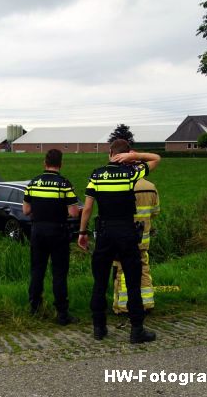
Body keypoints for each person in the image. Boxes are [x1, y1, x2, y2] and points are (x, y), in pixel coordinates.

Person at [77, 140, 160, 343]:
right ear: (125, 155)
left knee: (100, 281)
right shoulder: (131, 173)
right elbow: (157, 158)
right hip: (126, 232)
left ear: (110, 153)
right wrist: (134, 157)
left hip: (104, 233)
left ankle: (99, 327)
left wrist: (82, 232)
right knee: (133, 281)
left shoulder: (96, 175)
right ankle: (137, 330)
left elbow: (87, 208)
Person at [23, 149, 81, 325]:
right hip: (58, 231)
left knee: (37, 271)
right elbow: (73, 213)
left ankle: (34, 308)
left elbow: (26, 211)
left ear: (44, 163)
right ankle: (62, 314)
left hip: (37, 231)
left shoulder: (33, 183)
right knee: (59, 273)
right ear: (60, 164)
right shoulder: (64, 184)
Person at [113, 178, 160, 314]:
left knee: (122, 269)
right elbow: (155, 211)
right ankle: (146, 303)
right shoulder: (151, 186)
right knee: (144, 268)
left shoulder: (122, 185)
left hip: (125, 237)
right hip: (143, 239)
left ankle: (124, 306)